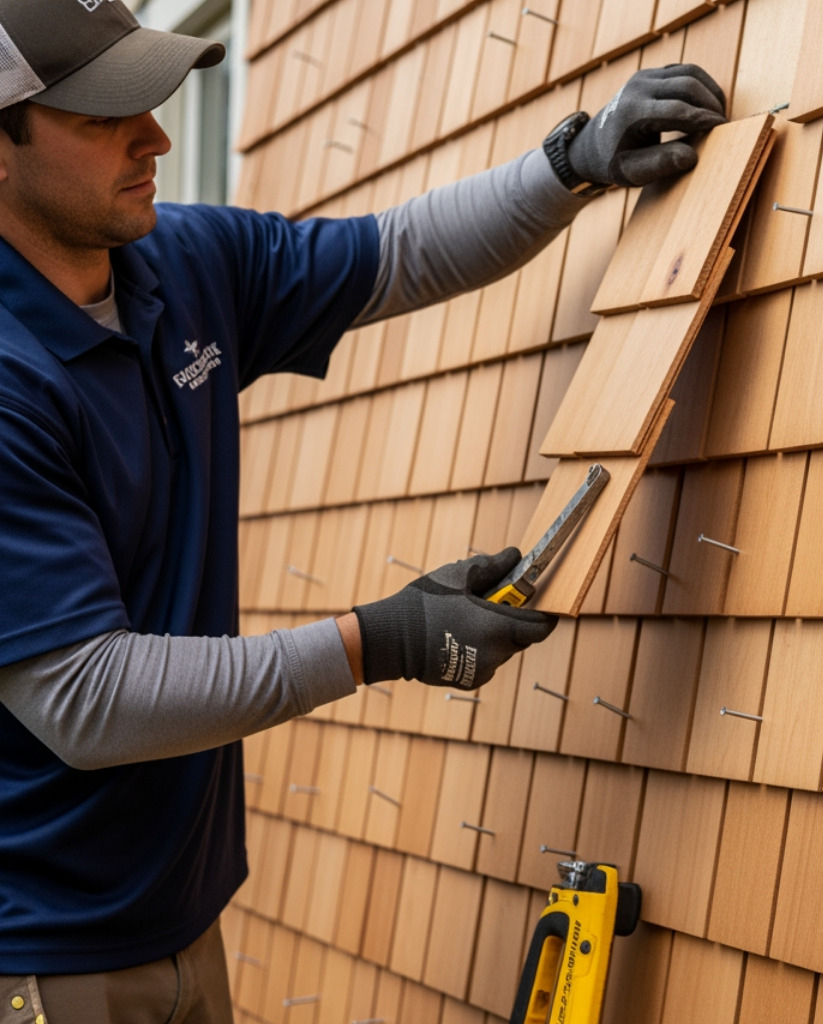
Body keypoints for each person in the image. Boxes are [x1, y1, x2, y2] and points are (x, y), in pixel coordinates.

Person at [0, 1, 727, 1019]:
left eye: (153, 102)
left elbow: (398, 254)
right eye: (102, 116)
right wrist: (377, 641)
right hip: (41, 955)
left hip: (179, 914)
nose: (156, 136)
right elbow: (87, 697)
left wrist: (573, 164)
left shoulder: (181, 264)